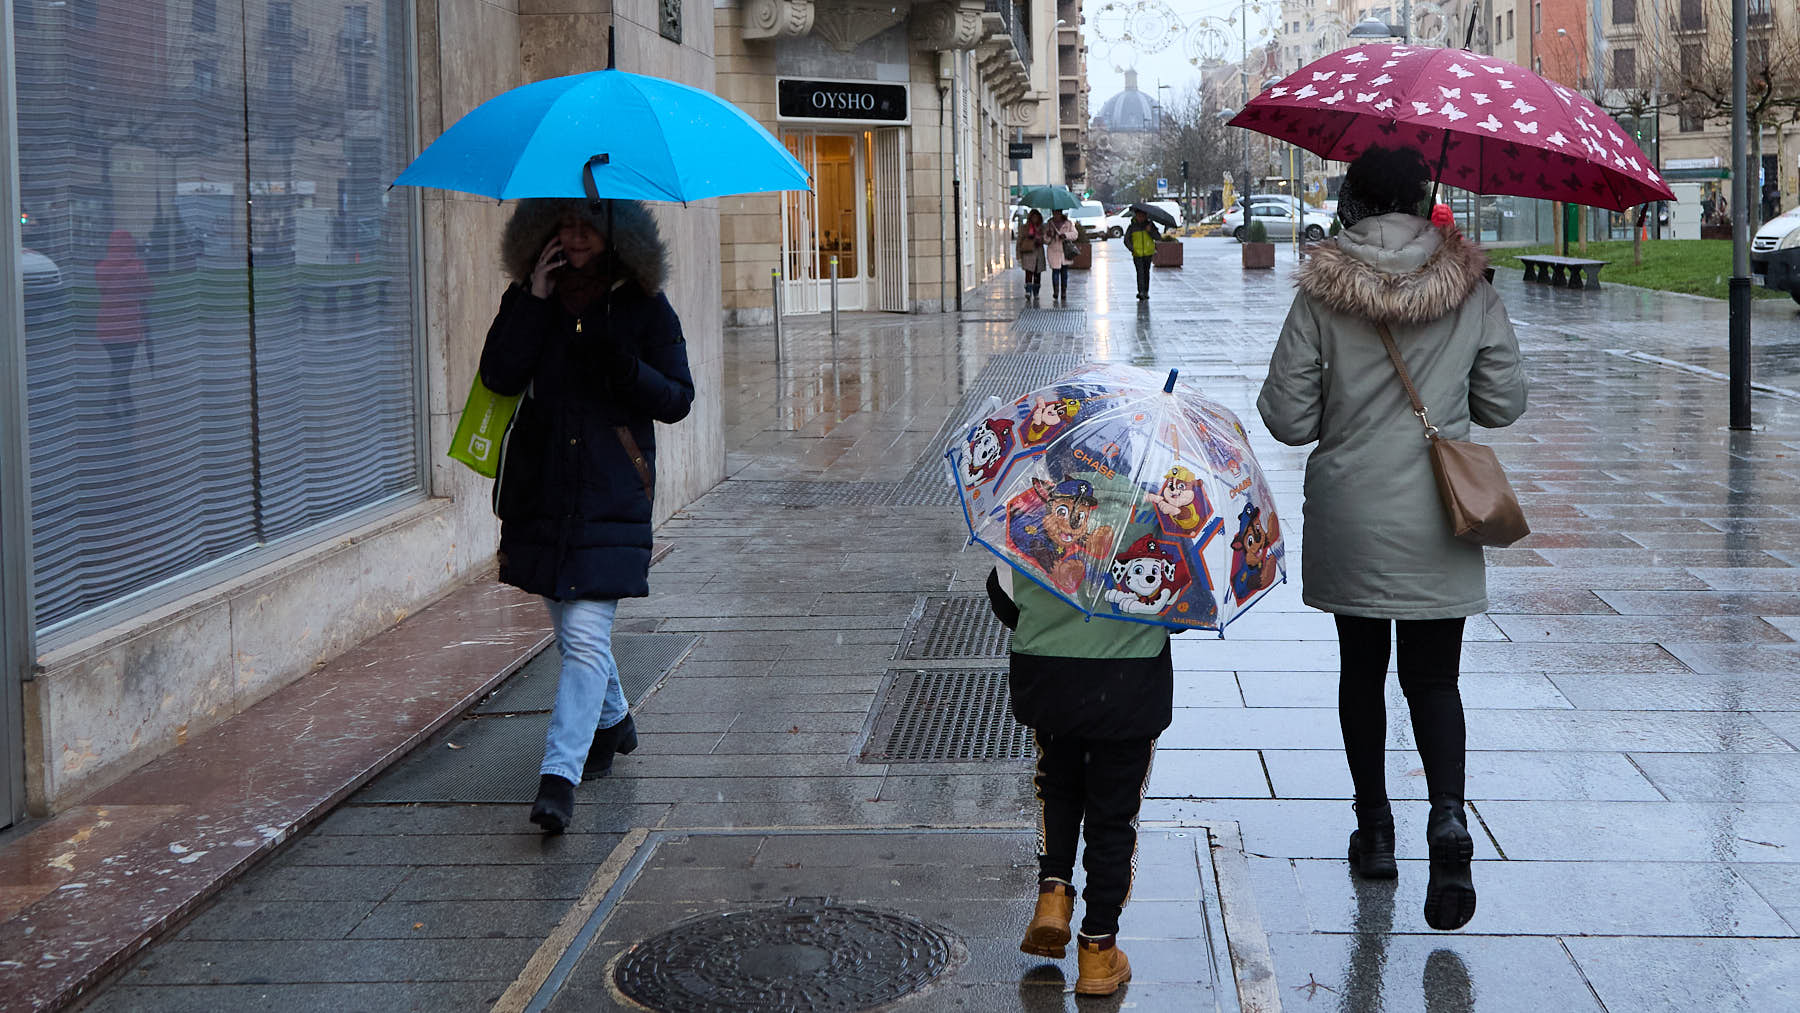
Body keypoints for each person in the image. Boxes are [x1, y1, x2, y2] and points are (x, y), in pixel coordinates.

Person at [1256, 144, 1527, 932]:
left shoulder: (1321, 290)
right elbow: (1504, 403)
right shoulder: (1468, 284)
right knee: (1435, 681)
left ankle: (1374, 828)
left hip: (1354, 513)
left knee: (1362, 670)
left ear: (1351, 200)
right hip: (1441, 513)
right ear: (1422, 197)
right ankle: (1447, 819)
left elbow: (1287, 417)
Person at [479, 197, 695, 833]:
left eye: (584, 225)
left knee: (581, 640)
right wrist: (533, 298)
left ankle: (558, 779)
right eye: (561, 225)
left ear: (613, 234)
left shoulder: (644, 306)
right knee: (575, 631)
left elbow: (678, 399)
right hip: (540, 490)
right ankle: (614, 719)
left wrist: (623, 365)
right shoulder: (530, 297)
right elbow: (497, 375)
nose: (571, 237)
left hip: (611, 490)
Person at [985, 559, 1174, 997]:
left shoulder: (1035, 504)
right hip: (1129, 682)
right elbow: (1182, 613)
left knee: (1057, 788)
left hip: (1052, 678)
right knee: (1113, 817)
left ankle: (1053, 894)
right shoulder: (1164, 511)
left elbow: (1005, 599)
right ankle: (1098, 949)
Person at [94, 229, 150, 417]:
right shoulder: (135, 267)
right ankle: (111, 404)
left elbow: (102, 291)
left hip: (106, 326)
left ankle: (127, 405)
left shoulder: (102, 267)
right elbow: (149, 290)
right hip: (128, 326)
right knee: (123, 368)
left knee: (119, 366)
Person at [1122, 208, 1159, 301]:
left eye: (1142, 216)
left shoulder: (1150, 225)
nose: (1140, 218)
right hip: (1137, 253)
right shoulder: (1132, 227)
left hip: (1148, 253)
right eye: (1139, 216)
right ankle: (1141, 291)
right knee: (1140, 272)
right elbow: (1126, 240)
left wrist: (1150, 231)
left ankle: (1146, 291)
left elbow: (1158, 237)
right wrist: (1132, 249)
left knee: (1146, 272)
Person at [1043, 208, 1079, 303]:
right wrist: (1049, 235)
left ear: (1060, 213)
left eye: (1057, 213)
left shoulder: (1068, 223)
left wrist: (1065, 235)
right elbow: (1045, 240)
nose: (1056, 215)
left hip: (1065, 251)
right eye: (1054, 213)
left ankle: (1063, 292)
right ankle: (1056, 291)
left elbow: (1075, 235)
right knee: (1055, 272)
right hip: (1054, 251)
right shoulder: (1049, 224)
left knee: (1064, 273)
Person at [1017, 209, 1048, 301]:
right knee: (1029, 272)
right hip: (1028, 252)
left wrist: (1042, 238)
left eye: (1036, 217)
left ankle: (1036, 292)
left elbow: (1046, 240)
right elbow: (1019, 241)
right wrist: (1018, 254)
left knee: (1037, 274)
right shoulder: (1024, 228)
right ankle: (1028, 291)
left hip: (1039, 253)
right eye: (1033, 217)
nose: (1035, 219)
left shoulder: (1042, 228)